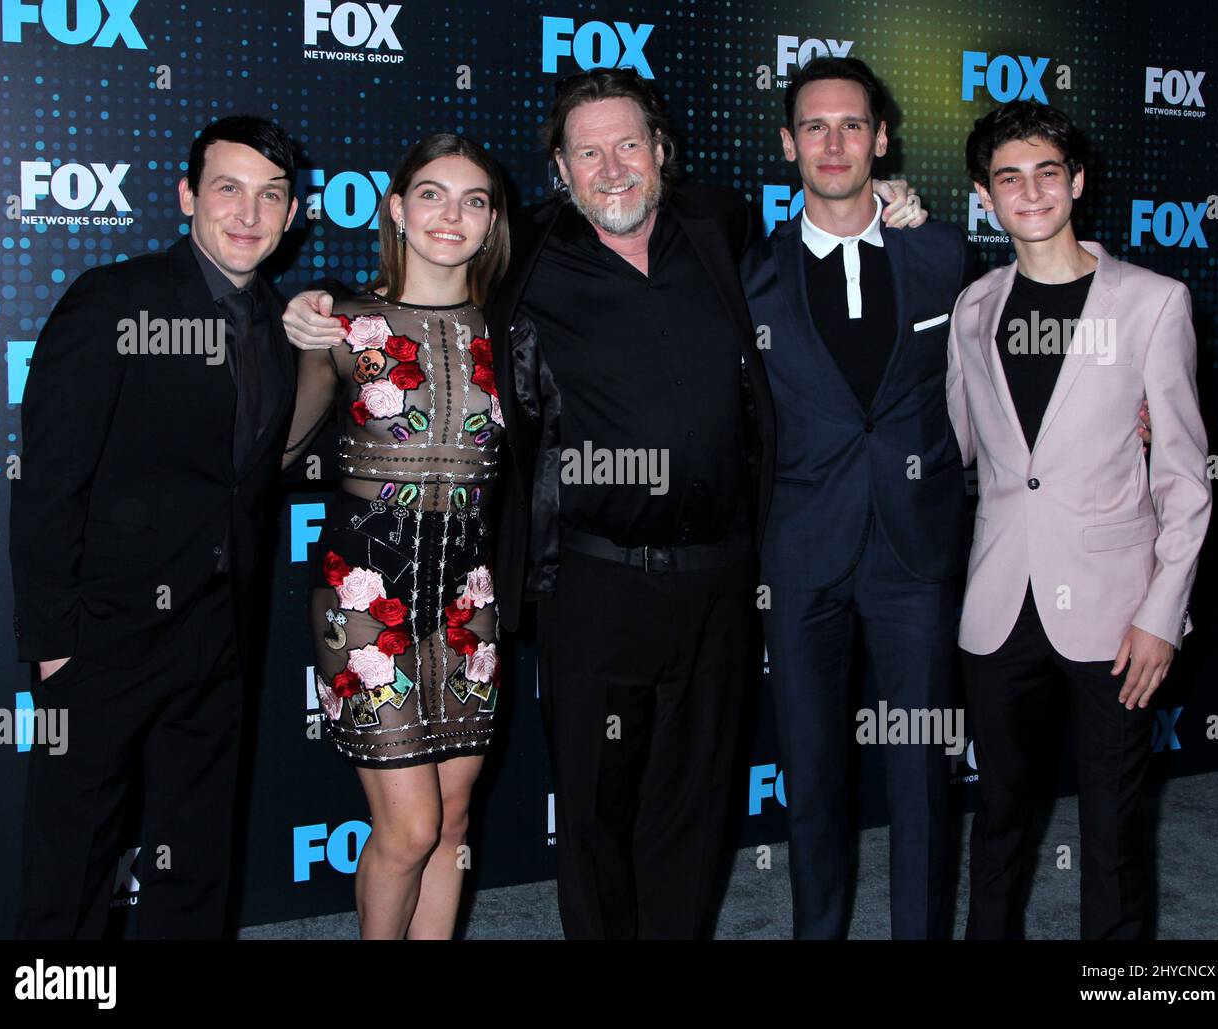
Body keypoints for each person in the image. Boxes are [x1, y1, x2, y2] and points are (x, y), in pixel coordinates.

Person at [283, 70, 922, 939]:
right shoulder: (531, 256)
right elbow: (407, 298)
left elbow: (822, 238)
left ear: (662, 154)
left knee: (692, 811)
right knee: (591, 812)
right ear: (560, 171)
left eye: (628, 145)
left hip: (719, 581)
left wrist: (885, 201)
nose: (612, 168)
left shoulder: (719, 226)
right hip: (592, 583)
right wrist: (312, 309)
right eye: (588, 151)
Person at [9, 115, 300, 938]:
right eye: (228, 188)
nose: (248, 212)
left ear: (292, 214)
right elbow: (47, 482)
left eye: (270, 195)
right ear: (187, 197)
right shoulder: (115, 299)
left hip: (217, 639)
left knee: (194, 854)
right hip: (103, 637)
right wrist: (53, 642)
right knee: (74, 859)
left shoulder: (279, 327)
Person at [946, 101, 1212, 939]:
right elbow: (964, 451)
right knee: (997, 826)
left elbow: (1184, 477)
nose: (1030, 192)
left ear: (1078, 182)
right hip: (997, 612)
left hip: (1115, 615)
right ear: (985, 196)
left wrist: (1161, 614)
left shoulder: (1153, 303)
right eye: (1009, 177)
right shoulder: (973, 308)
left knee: (1114, 833)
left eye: (1047, 173)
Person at [742, 57, 971, 939]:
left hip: (914, 553)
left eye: (850, 125)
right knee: (812, 770)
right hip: (798, 556)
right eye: (813, 126)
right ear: (789, 144)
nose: (832, 143)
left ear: (881, 139)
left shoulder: (941, 253)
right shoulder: (751, 272)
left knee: (920, 770)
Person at [281, 134, 510, 939]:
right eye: (432, 195)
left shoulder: (509, 328)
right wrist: (300, 338)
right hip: (364, 593)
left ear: (491, 221)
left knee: (450, 822)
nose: (453, 214)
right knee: (408, 827)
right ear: (397, 209)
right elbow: (281, 444)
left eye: (474, 199)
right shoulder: (344, 322)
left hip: (469, 596)